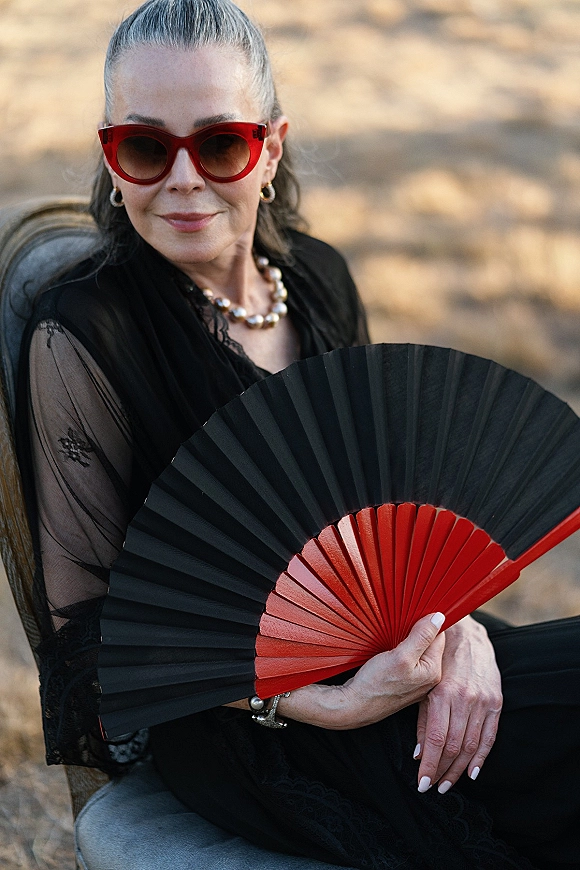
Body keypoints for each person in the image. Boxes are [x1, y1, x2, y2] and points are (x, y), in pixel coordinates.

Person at [15, 1, 580, 868]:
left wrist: (460, 632)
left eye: (220, 143)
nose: (182, 179)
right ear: (110, 154)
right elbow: (87, 648)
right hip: (256, 734)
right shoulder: (84, 334)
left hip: (404, 656)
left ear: (270, 146)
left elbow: (394, 518)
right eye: (143, 146)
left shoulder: (318, 279)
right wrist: (324, 704)